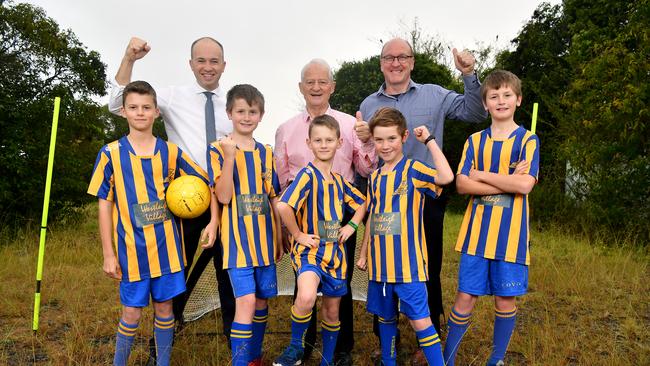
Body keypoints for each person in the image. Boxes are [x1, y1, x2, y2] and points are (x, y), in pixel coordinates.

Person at [358, 38, 487, 363]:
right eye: (389, 57)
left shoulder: (435, 93)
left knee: (425, 264)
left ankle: (425, 337)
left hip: (426, 193)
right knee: (383, 265)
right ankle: (386, 339)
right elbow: (365, 152)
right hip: (386, 198)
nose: (396, 62)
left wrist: (469, 74)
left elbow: (474, 112)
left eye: (403, 57)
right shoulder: (369, 103)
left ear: (412, 62)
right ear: (381, 62)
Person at [107, 36, 235, 357]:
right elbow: (116, 102)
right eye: (201, 60)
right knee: (175, 277)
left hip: (224, 200)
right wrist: (129, 59)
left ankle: (238, 351)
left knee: (229, 276)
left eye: (214, 61)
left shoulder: (232, 103)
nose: (208, 67)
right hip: (185, 201)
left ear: (224, 65)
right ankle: (159, 351)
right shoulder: (173, 96)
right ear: (190, 64)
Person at [88, 81, 218, 366]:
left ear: (157, 112)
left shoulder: (170, 152)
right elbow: (103, 203)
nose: (140, 113)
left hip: (169, 251)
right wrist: (108, 254)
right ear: (123, 112)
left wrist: (214, 220)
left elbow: (205, 184)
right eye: (134, 107)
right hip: (132, 252)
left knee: (165, 309)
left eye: (146, 107)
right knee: (131, 314)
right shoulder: (110, 153)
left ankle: (162, 362)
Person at [275, 59, 377, 365]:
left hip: (338, 217)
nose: (316, 87)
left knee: (337, 291)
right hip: (303, 217)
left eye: (323, 82)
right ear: (301, 87)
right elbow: (281, 182)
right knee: (304, 287)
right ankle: (301, 347)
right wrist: (290, 231)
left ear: (332, 86)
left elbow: (366, 168)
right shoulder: (285, 129)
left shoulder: (349, 125)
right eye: (310, 82)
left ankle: (339, 351)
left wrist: (368, 139)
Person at [442, 70, 539, 366]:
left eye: (507, 95)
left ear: (518, 100)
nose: (501, 101)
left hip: (511, 238)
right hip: (476, 235)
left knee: (504, 300)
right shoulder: (473, 141)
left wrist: (482, 175)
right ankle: (447, 359)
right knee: (465, 298)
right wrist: (507, 179)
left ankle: (496, 359)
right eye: (493, 96)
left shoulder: (528, 140)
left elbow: (525, 185)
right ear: (484, 103)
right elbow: (461, 184)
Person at [356, 107, 454, 366]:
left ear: (404, 137)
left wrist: (430, 141)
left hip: (408, 268)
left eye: (391, 139)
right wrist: (364, 253)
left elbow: (446, 176)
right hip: (379, 267)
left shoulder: (413, 169)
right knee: (386, 320)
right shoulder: (375, 177)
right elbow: (373, 218)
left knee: (421, 321)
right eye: (379, 139)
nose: (385, 145)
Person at [208, 84, 283, 366]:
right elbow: (224, 195)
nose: (246, 116)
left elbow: (272, 197)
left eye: (253, 111)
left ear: (261, 115)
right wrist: (230, 158)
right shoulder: (218, 149)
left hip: (264, 240)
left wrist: (279, 234)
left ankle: (255, 357)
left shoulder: (265, 152)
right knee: (246, 302)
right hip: (237, 243)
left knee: (262, 301)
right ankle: (239, 362)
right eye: (241, 111)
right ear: (229, 113)